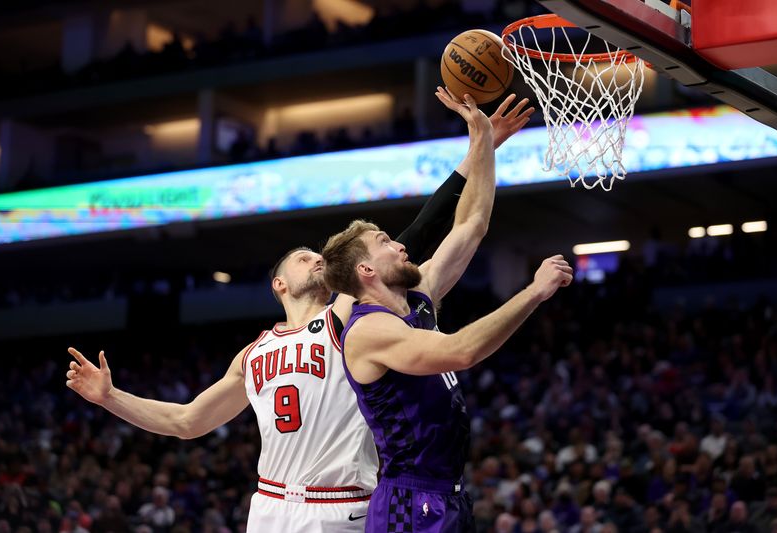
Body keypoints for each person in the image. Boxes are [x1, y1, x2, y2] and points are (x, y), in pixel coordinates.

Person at [65, 88, 534, 533]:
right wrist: (111, 398)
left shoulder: (344, 316)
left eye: (321, 256)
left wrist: (477, 154)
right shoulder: (253, 355)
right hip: (269, 508)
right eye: (304, 257)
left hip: (342, 506)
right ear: (280, 284)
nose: (317, 259)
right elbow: (187, 422)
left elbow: (419, 231)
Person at [321, 93, 571, 532]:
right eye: (385, 242)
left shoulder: (417, 296)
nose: (400, 244)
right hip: (409, 499)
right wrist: (532, 292)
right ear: (365, 271)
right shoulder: (368, 331)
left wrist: (484, 143)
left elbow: (472, 222)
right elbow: (461, 351)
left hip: (447, 492)